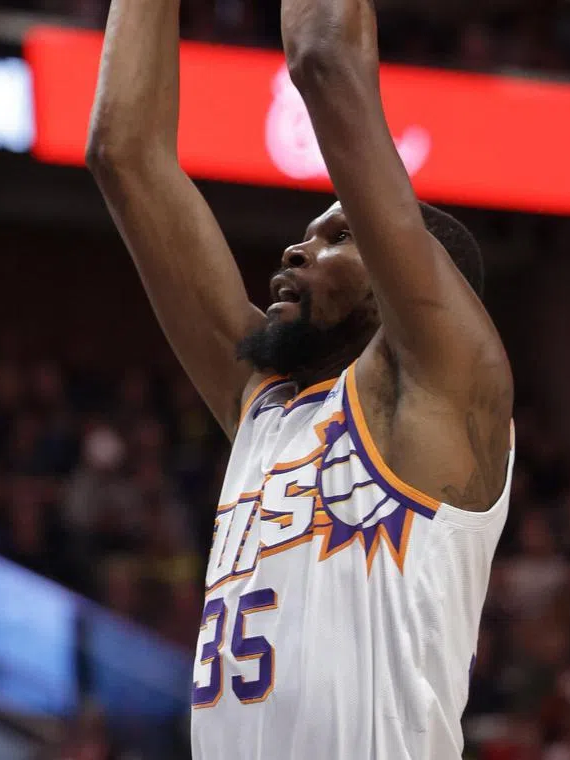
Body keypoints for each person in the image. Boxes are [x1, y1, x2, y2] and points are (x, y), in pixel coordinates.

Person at [86, 0, 514, 756]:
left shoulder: (446, 391)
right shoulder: (266, 408)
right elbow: (124, 155)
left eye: (340, 236)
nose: (294, 250)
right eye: (307, 234)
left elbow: (325, 53)